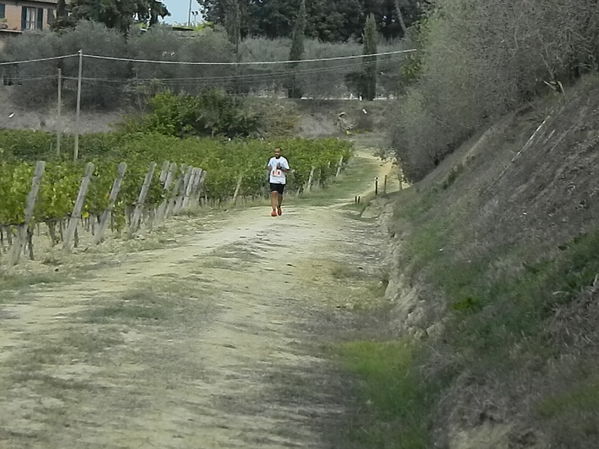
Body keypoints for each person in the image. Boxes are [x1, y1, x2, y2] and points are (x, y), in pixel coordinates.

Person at [266, 147, 290, 217]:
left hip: (281, 180)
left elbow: (287, 170)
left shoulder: (283, 160)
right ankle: (273, 210)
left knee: (279, 195)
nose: (276, 153)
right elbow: (268, 167)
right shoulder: (271, 159)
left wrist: (281, 168)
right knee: (273, 193)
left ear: (280, 152)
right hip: (273, 179)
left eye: (278, 152)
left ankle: (278, 206)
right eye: (275, 152)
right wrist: (269, 168)